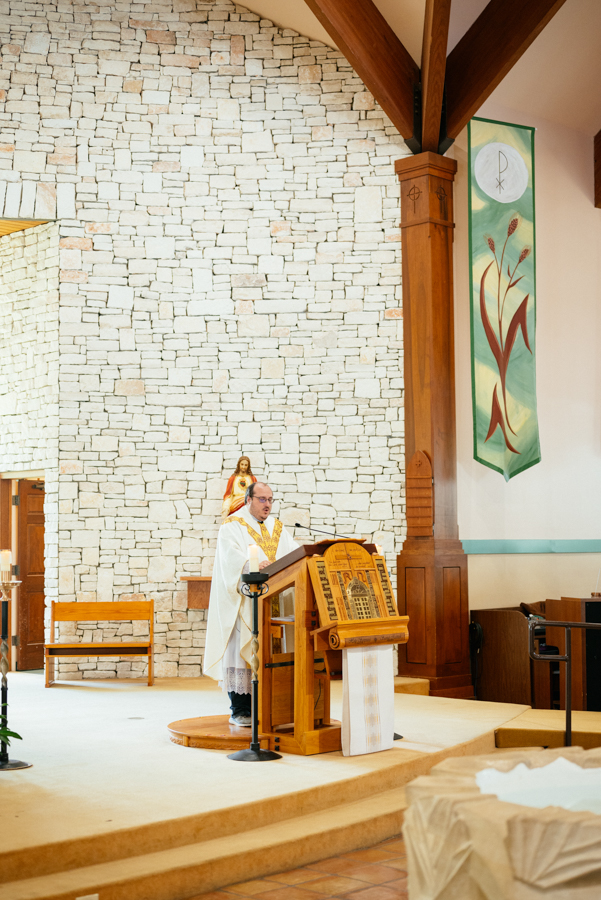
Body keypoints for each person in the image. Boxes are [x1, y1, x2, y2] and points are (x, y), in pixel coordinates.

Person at [203, 482, 298, 726]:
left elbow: (295, 553)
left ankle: (270, 706)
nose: (267, 505)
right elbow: (229, 557)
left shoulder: (277, 526)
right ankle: (241, 709)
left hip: (275, 601)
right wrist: (250, 564)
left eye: (270, 500)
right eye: (262, 499)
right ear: (248, 499)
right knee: (242, 653)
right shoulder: (232, 525)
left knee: (272, 651)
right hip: (246, 601)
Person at [221, 456, 256, 522]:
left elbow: (256, 494)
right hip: (235, 504)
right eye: (242, 464)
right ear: (239, 465)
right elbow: (228, 495)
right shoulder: (233, 478)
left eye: (246, 465)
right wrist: (226, 506)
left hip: (248, 503)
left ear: (248, 466)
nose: (243, 467)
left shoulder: (252, 478)